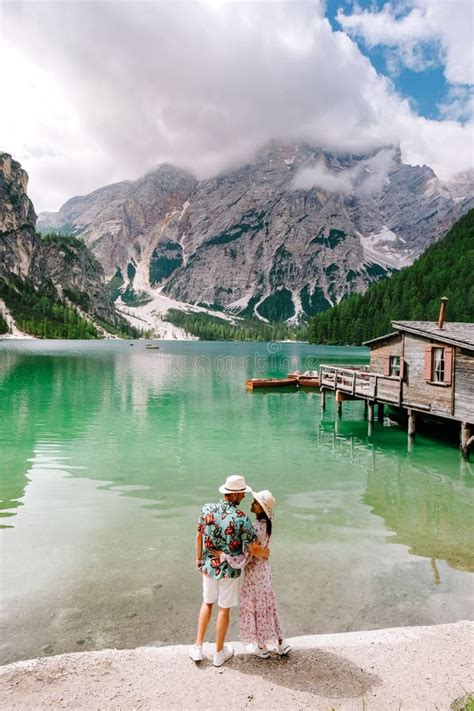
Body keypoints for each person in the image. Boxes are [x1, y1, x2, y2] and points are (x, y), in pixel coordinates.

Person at [189, 474, 268, 667]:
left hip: (209, 566)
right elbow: (253, 548)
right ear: (234, 495)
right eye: (241, 493)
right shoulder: (241, 518)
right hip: (229, 570)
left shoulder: (206, 509)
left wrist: (199, 559)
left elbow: (199, 536)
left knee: (207, 603)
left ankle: (198, 648)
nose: (243, 497)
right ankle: (218, 653)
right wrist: (266, 553)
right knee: (224, 609)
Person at [214, 490, 291, 658]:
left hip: (255, 574)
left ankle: (262, 647)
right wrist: (264, 552)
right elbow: (261, 552)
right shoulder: (267, 525)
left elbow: (247, 555)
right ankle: (281, 643)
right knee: (268, 607)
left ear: (261, 509)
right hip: (265, 571)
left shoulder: (255, 527)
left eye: (255, 503)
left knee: (257, 608)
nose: (251, 504)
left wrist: (226, 556)